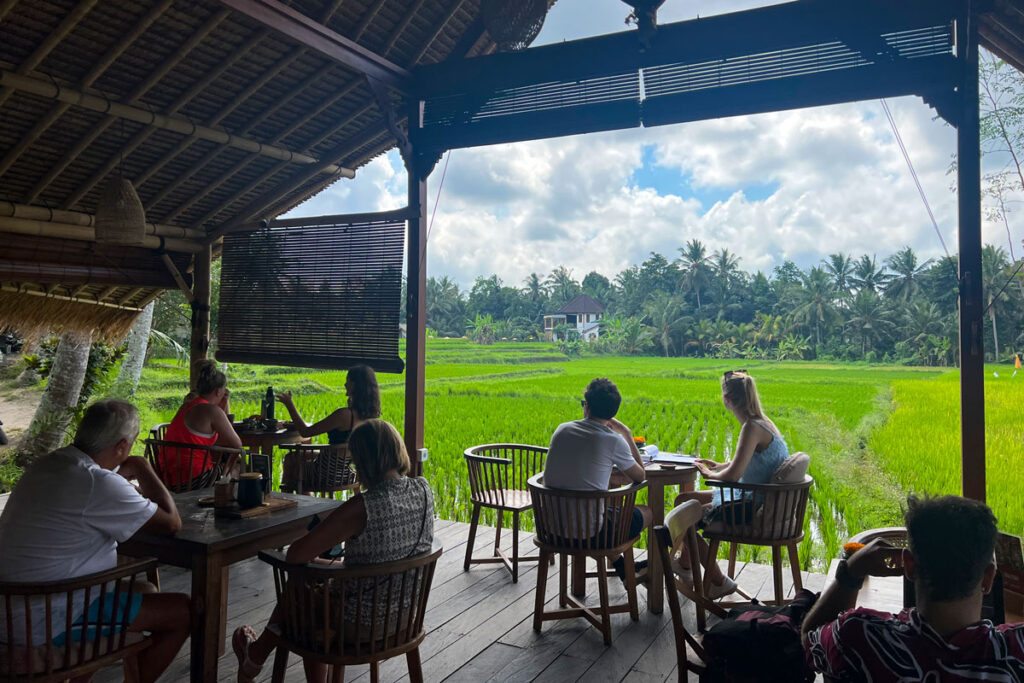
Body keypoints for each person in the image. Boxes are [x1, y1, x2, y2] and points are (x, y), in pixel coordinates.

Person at [0, 399, 190, 683]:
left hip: (13, 604)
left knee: (145, 589)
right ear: (122, 446)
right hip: (43, 621)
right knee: (185, 611)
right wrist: (142, 466)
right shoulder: (96, 481)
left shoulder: (51, 463)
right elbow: (172, 523)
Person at [233, 419, 434, 683]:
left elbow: (295, 555)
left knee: (299, 587)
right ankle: (255, 657)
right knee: (315, 583)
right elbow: (388, 558)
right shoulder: (424, 489)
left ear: (364, 461)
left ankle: (255, 657)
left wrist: (319, 561)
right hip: (406, 618)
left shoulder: (363, 506)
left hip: (361, 624)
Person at [802, 495, 1024, 681]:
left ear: (909, 565)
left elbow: (809, 639)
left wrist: (851, 571)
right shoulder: (1015, 651)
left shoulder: (857, 635)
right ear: (988, 578)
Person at [672, 369, 790, 598]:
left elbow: (734, 477)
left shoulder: (751, 427)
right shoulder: (764, 423)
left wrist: (708, 473)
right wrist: (719, 465)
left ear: (727, 400)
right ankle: (685, 565)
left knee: (683, 517)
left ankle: (718, 580)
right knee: (683, 500)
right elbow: (746, 463)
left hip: (752, 503)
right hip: (758, 496)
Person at [543, 377, 651, 581]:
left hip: (551, 529)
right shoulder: (614, 440)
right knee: (646, 512)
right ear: (613, 413)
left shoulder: (562, 429)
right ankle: (635, 570)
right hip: (589, 536)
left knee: (596, 515)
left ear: (587, 406)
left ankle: (622, 568)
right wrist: (627, 433)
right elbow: (640, 475)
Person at [277, 364, 381, 492]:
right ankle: (305, 502)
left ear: (355, 385)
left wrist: (289, 404)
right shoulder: (371, 418)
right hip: (347, 473)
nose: (345, 384)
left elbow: (305, 432)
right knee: (303, 456)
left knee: (290, 459)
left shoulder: (344, 415)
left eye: (348, 380)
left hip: (325, 475)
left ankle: (290, 500)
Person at [160, 359, 242, 488]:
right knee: (239, 466)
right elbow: (237, 445)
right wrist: (226, 474)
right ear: (219, 391)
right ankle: (228, 501)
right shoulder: (212, 410)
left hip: (168, 477)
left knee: (220, 465)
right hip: (195, 478)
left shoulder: (186, 406)